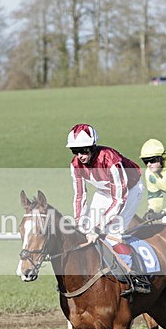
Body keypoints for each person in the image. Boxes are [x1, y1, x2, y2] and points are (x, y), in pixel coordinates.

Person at [66, 123, 150, 296]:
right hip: (104, 192)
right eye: (75, 151)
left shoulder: (110, 159)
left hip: (129, 190)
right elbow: (80, 196)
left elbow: (119, 198)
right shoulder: (75, 165)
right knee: (85, 231)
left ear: (92, 147)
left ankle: (136, 277)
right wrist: (80, 223)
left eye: (83, 150)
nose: (79, 156)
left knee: (112, 234)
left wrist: (99, 226)